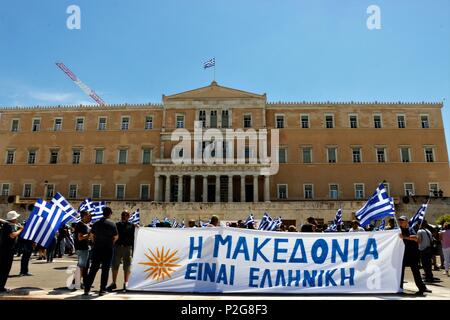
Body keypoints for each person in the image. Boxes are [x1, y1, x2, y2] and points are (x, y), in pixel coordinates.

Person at [83, 207, 118, 296]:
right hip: (108, 249)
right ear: (110, 213)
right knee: (105, 270)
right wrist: (111, 243)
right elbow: (116, 237)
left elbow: (91, 235)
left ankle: (87, 289)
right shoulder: (112, 224)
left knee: (93, 269)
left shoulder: (96, 223)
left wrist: (96, 242)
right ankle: (102, 290)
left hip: (97, 248)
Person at [398, 216, 431, 295]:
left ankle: (422, 288)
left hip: (413, 255)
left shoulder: (410, 229)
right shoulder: (397, 230)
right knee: (399, 273)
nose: (400, 222)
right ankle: (399, 288)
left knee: (416, 272)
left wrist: (405, 237)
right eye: (399, 220)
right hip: (401, 255)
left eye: (402, 220)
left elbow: (417, 239)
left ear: (407, 221)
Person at [107, 211, 136, 292]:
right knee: (114, 265)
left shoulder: (132, 226)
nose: (124, 216)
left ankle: (126, 283)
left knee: (127, 266)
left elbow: (135, 236)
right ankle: (113, 283)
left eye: (126, 215)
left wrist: (138, 227)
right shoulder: (117, 225)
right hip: (117, 247)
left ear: (129, 216)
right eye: (123, 214)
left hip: (127, 248)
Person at [0, 211, 24, 293]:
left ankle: (1, 287)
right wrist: (20, 230)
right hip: (6, 252)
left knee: (5, 270)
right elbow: (12, 235)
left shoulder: (10, 225)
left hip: (8, 251)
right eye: (16, 218)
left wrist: (18, 228)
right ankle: (1, 288)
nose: (17, 219)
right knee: (4, 270)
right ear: (13, 219)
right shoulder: (7, 226)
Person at [74, 211, 91, 289]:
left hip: (84, 248)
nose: (90, 217)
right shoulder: (80, 225)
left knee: (84, 266)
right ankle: (77, 283)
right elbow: (80, 237)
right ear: (84, 216)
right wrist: (89, 235)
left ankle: (79, 281)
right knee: (81, 266)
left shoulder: (84, 225)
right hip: (82, 248)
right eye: (88, 216)